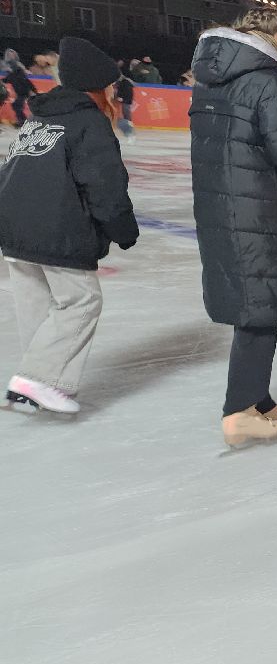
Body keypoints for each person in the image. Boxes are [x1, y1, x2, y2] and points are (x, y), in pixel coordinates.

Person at [190, 6, 277, 448]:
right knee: (259, 308)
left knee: (252, 300)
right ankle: (238, 413)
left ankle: (258, 399)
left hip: (220, 206)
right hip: (255, 210)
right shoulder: (269, 82)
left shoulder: (210, 80)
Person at [0, 37, 138, 414]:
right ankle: (38, 379)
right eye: (109, 86)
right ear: (96, 85)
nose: (112, 93)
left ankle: (37, 383)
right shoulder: (89, 123)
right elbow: (105, 184)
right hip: (56, 228)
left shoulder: (39, 118)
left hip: (13, 228)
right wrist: (124, 230)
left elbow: (11, 169)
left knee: (37, 304)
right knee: (81, 301)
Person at [5, 49, 36, 126]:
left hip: (23, 91)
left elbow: (25, 80)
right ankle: (22, 121)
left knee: (17, 105)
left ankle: (23, 121)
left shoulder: (18, 70)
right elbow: (9, 78)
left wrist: (31, 89)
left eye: (12, 54)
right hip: (21, 91)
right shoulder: (13, 72)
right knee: (16, 105)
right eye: (9, 55)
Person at [113, 62, 136, 140]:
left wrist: (122, 97)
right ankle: (129, 128)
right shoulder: (124, 82)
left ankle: (129, 129)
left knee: (126, 114)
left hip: (126, 101)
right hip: (126, 100)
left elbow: (127, 92)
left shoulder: (125, 82)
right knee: (125, 114)